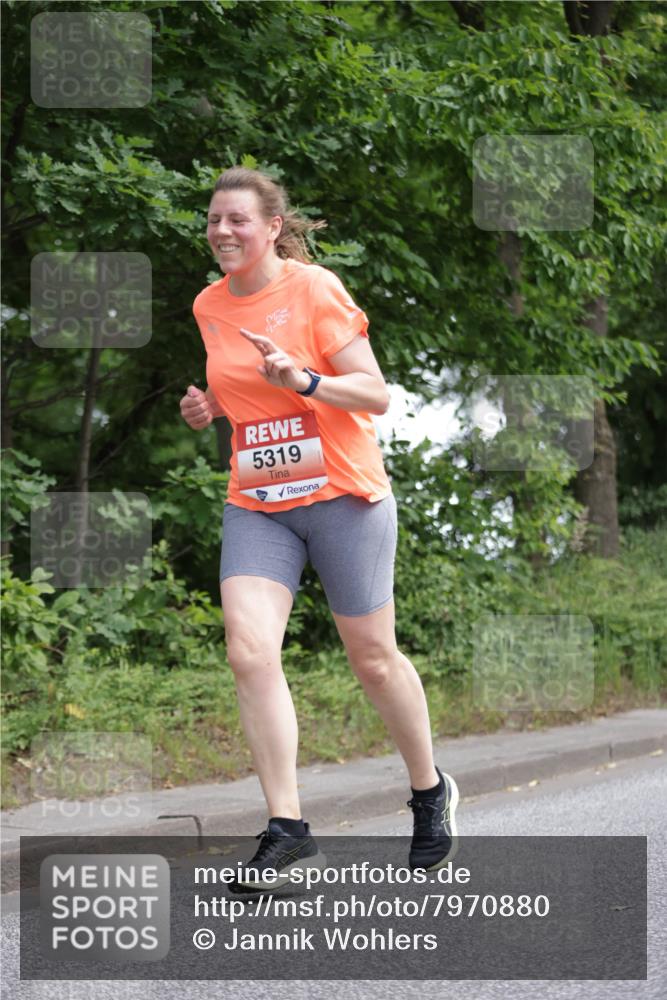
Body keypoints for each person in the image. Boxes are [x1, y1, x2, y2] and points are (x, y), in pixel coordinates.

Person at [180, 166, 458, 890]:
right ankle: (286, 828)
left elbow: (374, 393)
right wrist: (211, 406)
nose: (221, 231)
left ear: (272, 227)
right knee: (247, 651)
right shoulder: (209, 305)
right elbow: (241, 380)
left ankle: (429, 791)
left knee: (372, 659)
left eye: (237, 219)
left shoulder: (314, 288)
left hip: (342, 494)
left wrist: (302, 381)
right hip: (259, 501)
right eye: (213, 220)